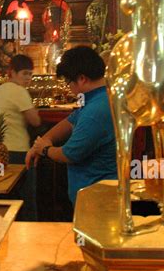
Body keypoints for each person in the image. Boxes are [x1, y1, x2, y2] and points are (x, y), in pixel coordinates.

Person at [26, 46, 117, 210]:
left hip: (97, 200)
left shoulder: (96, 111)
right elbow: (70, 121)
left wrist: (45, 149)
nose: (69, 89)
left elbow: (70, 154)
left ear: (82, 79)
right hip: (94, 195)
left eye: (69, 82)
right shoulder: (98, 98)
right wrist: (45, 139)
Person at [0, 54, 41, 220]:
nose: (28, 78)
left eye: (30, 74)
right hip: (19, 152)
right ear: (12, 72)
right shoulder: (19, 91)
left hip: (0, 152)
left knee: (7, 199)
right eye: (24, 74)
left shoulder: (0, 89)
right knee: (27, 201)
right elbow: (35, 121)